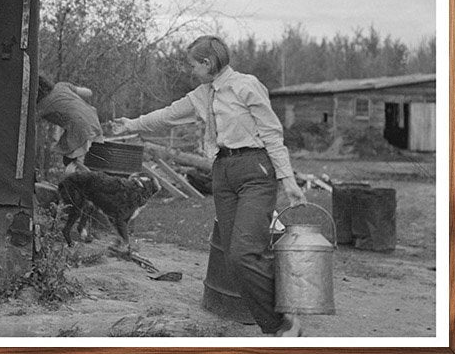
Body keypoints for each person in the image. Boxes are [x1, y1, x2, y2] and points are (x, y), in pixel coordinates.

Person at [111, 35, 306, 337]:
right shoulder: (203, 95)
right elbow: (168, 115)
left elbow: (271, 134)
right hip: (223, 172)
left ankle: (285, 317)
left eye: (193, 65)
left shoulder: (246, 86)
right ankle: (277, 325)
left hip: (254, 169)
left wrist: (288, 179)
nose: (191, 71)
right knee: (233, 257)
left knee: (244, 253)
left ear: (207, 62)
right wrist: (133, 124)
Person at [36, 75, 104, 171]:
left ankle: (88, 178)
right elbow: (88, 93)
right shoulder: (62, 86)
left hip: (79, 128)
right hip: (94, 121)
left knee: (71, 162)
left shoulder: (41, 105)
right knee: (89, 161)